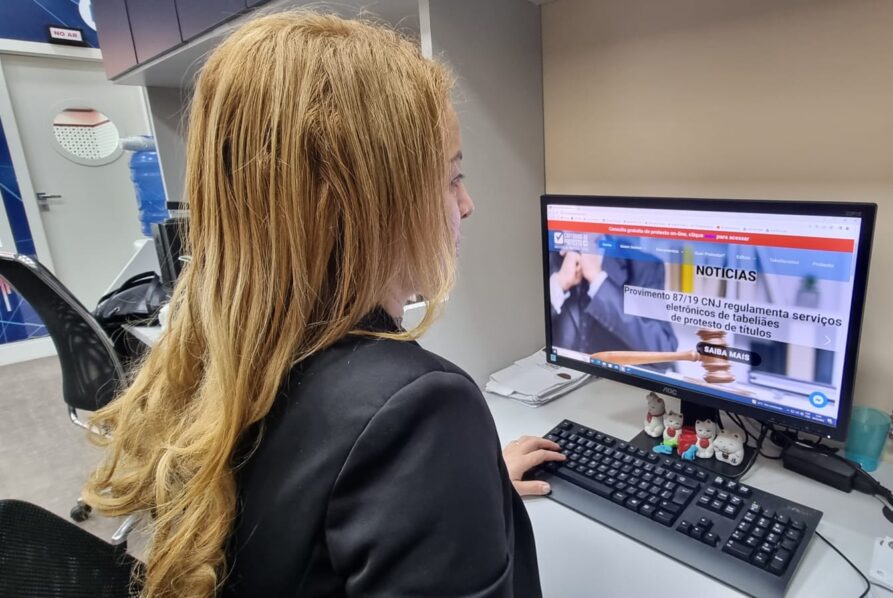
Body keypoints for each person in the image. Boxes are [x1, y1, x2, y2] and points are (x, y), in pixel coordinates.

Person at [83, 12, 562, 598]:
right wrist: (445, 469)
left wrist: (467, 488)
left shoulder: (226, 360)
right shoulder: (419, 410)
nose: (466, 205)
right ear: (370, 204)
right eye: (450, 178)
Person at [549, 249, 677, 364]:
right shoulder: (550, 253)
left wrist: (598, 280)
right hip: (562, 373)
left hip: (617, 379)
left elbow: (663, 351)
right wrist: (558, 284)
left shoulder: (645, 265)